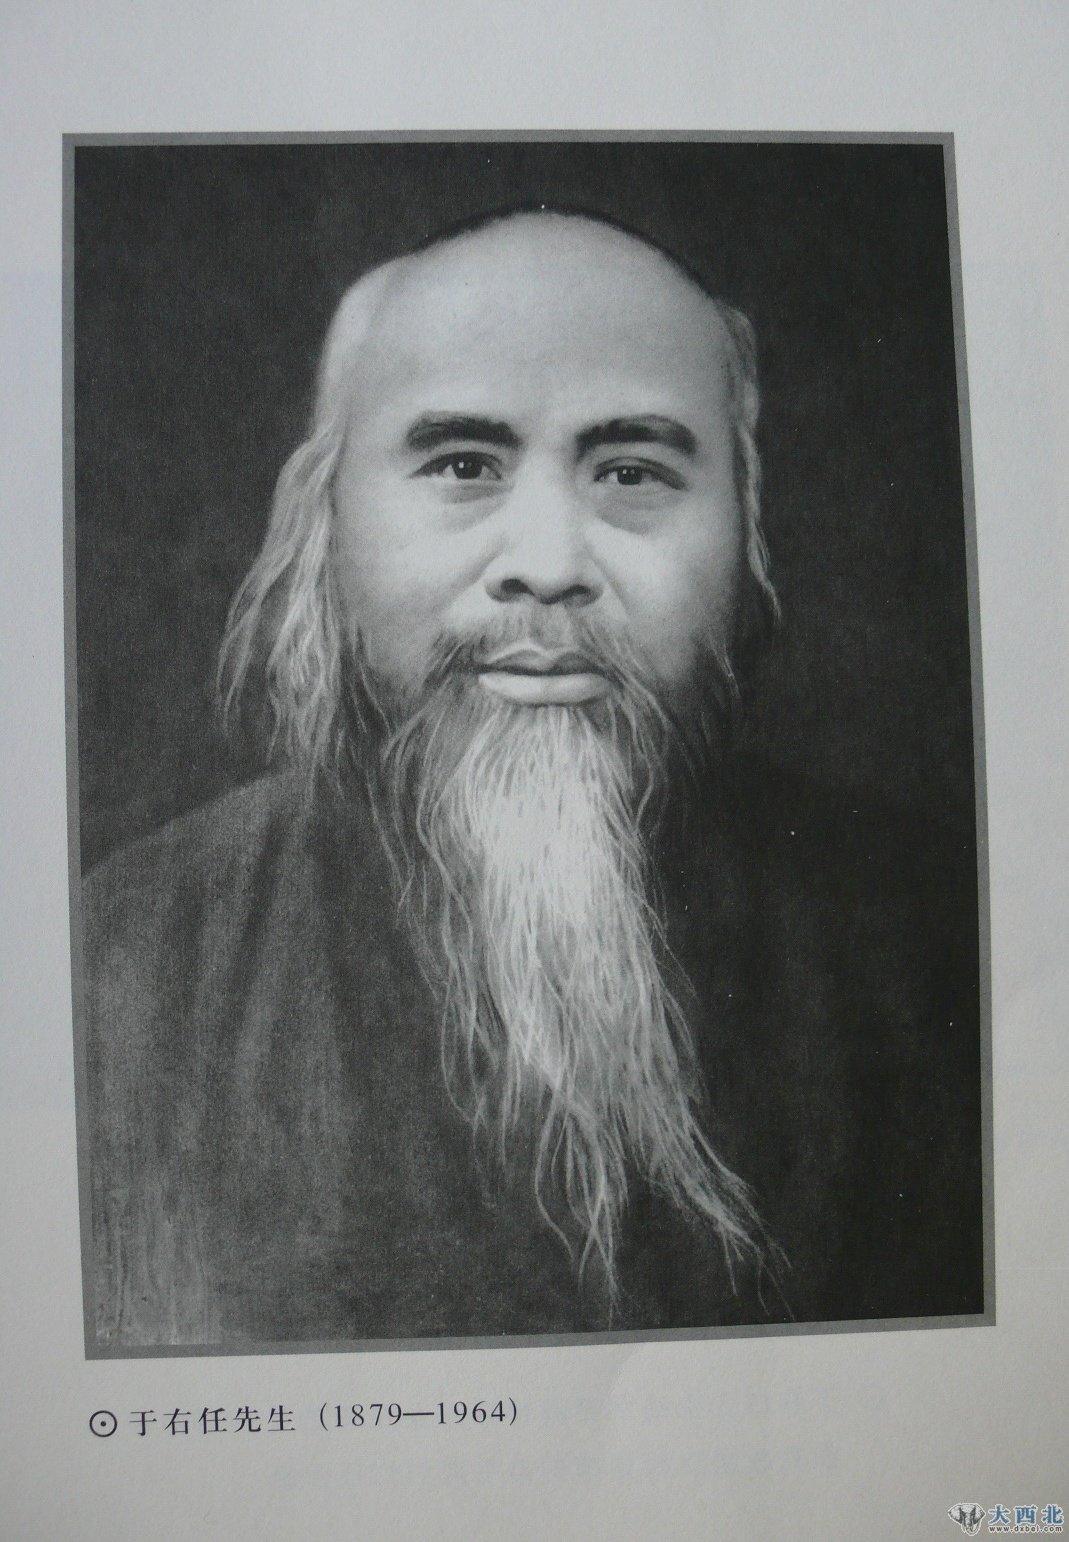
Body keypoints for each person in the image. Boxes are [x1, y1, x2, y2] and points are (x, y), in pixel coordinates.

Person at [82, 207, 983, 1348]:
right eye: (463, 466)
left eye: (632, 471)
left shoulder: (937, 946)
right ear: (324, 522)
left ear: (745, 527)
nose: (549, 565)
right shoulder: (119, 964)